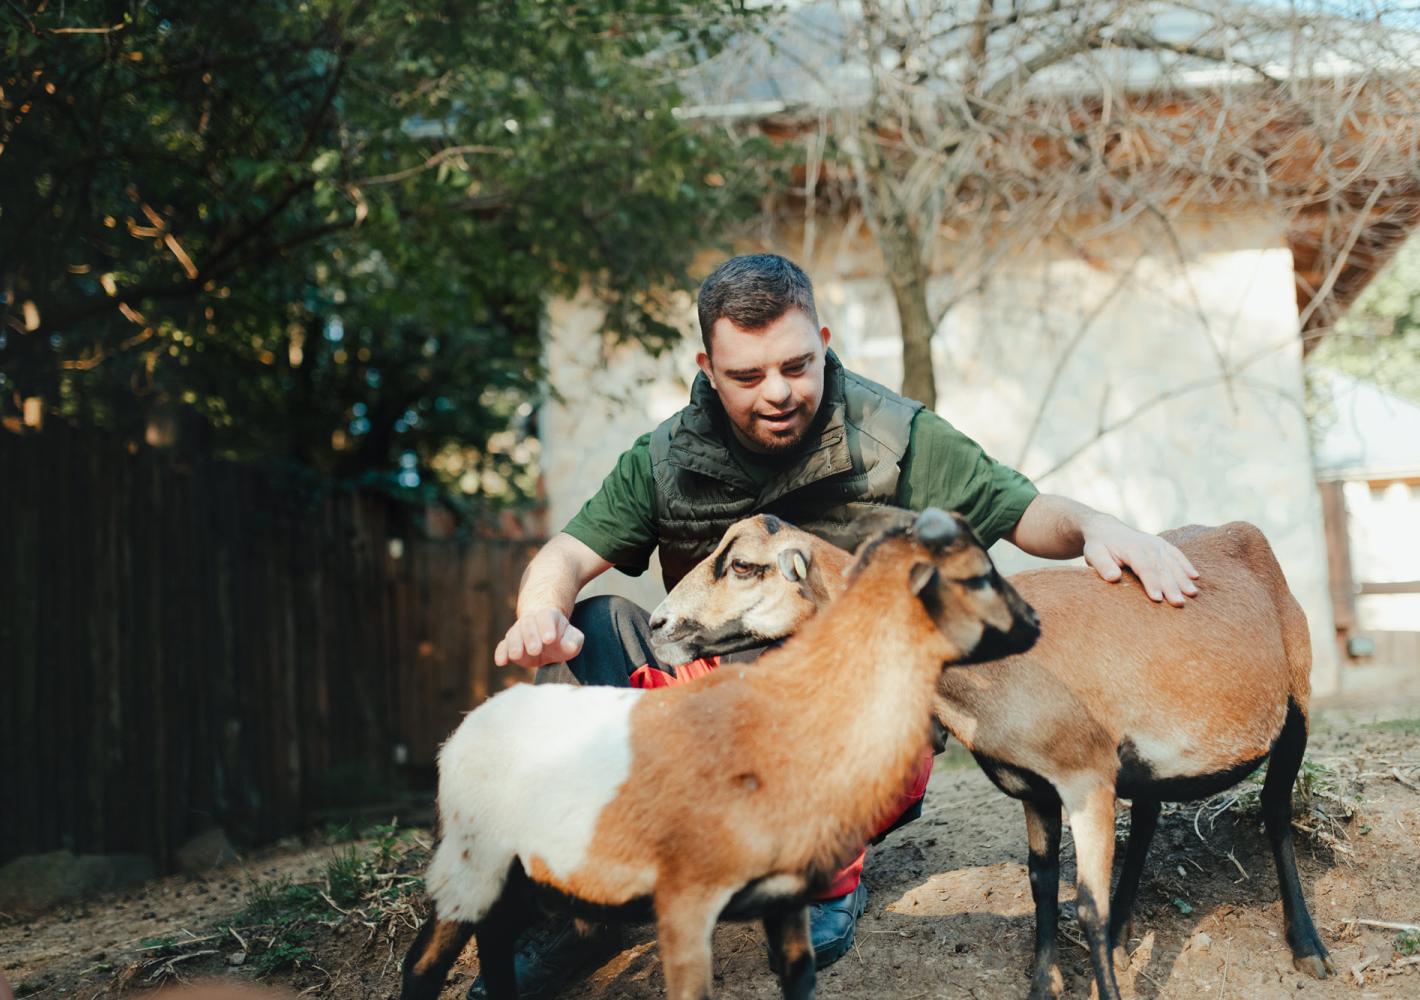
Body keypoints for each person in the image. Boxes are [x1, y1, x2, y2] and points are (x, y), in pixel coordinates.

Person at [470, 253, 1200, 999]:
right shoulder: (663, 459)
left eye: (797, 365)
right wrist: (539, 613)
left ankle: (823, 878)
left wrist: (1099, 527)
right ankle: (588, 908)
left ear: (822, 340)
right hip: (715, 703)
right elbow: (566, 552)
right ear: (708, 368)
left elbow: (1021, 510)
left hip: (850, 720)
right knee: (593, 629)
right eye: (749, 377)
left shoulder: (895, 436)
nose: (780, 392)